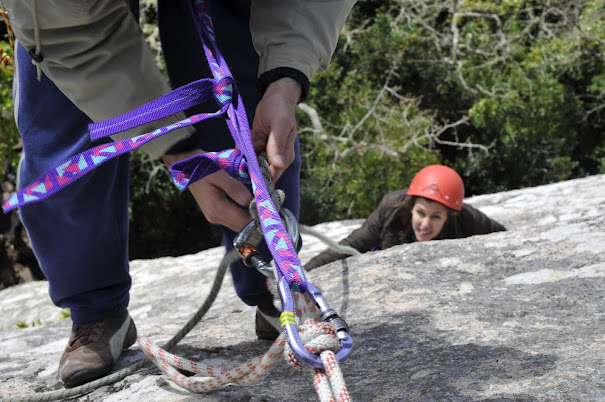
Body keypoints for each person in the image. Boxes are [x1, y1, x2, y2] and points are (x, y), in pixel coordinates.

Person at [0, 0, 356, 387]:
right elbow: (69, 35)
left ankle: (277, 286)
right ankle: (96, 310)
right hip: (60, 16)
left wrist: (286, 76)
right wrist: (180, 154)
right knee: (64, 115)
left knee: (243, 78)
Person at [304, 164, 507, 271]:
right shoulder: (391, 208)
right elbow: (352, 244)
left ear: (450, 215)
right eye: (420, 213)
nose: (425, 224)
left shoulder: (467, 218)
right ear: (410, 207)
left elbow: (504, 239)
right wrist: (303, 271)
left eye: (436, 216)